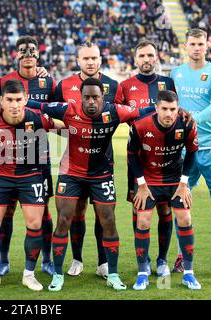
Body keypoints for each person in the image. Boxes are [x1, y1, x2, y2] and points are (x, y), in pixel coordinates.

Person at [28, 78, 157, 291]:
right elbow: (37, 105)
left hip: (101, 175)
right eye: (86, 97)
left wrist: (169, 107)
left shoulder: (115, 111)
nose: (91, 101)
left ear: (102, 98)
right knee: (64, 220)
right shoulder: (68, 109)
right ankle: (58, 275)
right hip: (71, 174)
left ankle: (112, 274)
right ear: (80, 97)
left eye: (95, 97)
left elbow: (142, 111)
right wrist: (1, 105)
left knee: (109, 221)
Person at [0, 79, 59, 291]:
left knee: (35, 224)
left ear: (26, 100)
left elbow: (63, 125)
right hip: (0, 176)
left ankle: (29, 274)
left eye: (18, 100)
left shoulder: (38, 118)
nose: (14, 104)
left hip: (30, 175)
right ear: (1, 101)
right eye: (9, 100)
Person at [54, 41, 123, 278]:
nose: (90, 62)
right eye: (86, 59)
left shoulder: (114, 86)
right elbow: (51, 115)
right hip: (73, 161)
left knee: (104, 213)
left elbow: (126, 115)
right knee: (76, 212)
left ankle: (104, 263)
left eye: (94, 58)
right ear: (78, 60)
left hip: (104, 161)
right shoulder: (63, 85)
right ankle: (77, 259)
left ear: (101, 59)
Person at [170, 28, 211, 278]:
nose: (197, 47)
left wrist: (188, 119)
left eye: (201, 43)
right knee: (180, 203)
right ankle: (180, 256)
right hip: (186, 150)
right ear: (185, 46)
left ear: (207, 45)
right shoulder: (176, 73)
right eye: (192, 43)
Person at [0, 36, 57, 277]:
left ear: (38, 54)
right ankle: (3, 260)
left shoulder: (48, 81)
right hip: (7, 154)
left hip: (39, 155)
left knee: (44, 209)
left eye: (32, 50)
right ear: (16, 54)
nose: (28, 53)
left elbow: (57, 110)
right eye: (23, 50)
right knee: (6, 210)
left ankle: (47, 260)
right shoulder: (5, 81)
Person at [128, 90, 201, 290]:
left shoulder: (186, 124)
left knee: (185, 218)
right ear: (156, 108)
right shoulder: (141, 126)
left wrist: (184, 183)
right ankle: (143, 272)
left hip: (175, 180)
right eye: (165, 109)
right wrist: (141, 184)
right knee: (142, 220)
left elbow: (192, 153)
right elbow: (132, 155)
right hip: (149, 179)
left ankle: (188, 273)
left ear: (178, 109)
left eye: (173, 109)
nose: (169, 114)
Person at [121, 40, 177, 277]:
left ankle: (162, 259)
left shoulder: (168, 83)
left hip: (166, 160)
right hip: (138, 158)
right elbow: (118, 114)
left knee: (165, 210)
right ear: (135, 59)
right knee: (140, 210)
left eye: (150, 55)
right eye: (142, 55)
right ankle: (142, 262)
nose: (146, 59)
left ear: (156, 57)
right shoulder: (125, 86)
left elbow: (178, 113)